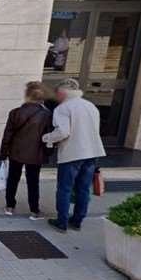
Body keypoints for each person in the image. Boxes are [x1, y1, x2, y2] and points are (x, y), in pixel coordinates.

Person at [42, 78, 106, 232]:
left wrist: (47, 138)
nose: (56, 97)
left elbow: (63, 132)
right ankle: (77, 221)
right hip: (92, 152)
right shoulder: (90, 106)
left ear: (62, 92)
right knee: (83, 189)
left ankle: (62, 222)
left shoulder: (63, 108)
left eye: (57, 93)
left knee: (64, 188)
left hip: (72, 153)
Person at [0, 81, 53, 219]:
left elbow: (7, 135)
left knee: (13, 179)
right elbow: (49, 136)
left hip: (16, 151)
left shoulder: (15, 113)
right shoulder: (47, 115)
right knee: (33, 182)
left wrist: (3, 154)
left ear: (27, 95)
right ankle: (34, 210)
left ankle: (10, 206)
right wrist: (48, 153)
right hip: (36, 153)